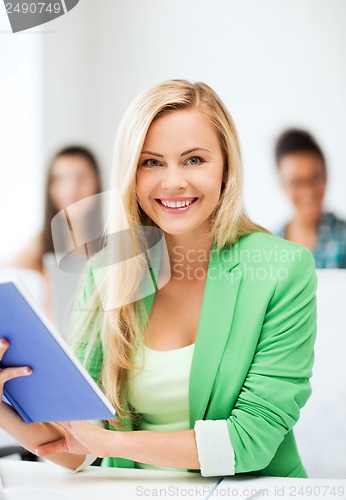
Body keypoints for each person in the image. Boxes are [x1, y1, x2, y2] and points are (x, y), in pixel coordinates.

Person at [0, 80, 317, 478]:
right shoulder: (108, 272)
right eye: (151, 162)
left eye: (194, 160)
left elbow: (250, 442)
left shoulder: (282, 270)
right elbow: (76, 445)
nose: (173, 182)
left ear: (226, 167)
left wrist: (109, 443)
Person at [8, 146, 102, 275]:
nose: (71, 190)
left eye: (82, 178)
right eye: (59, 179)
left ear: (97, 182)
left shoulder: (116, 237)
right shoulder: (42, 242)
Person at [275, 129, 346, 268]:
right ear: (282, 184)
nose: (308, 192)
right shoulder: (272, 244)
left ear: (326, 175)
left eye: (314, 179)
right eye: (296, 183)